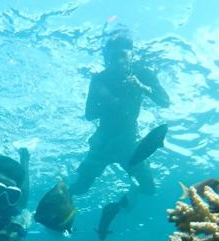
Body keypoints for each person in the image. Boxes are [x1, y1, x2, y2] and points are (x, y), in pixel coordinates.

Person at [70, 28, 170, 196]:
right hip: (104, 140)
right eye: (111, 56)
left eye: (121, 55)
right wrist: (111, 101)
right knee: (80, 188)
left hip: (129, 140)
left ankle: (127, 200)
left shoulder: (142, 73)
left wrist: (141, 87)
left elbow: (165, 101)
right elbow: (90, 115)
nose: (116, 61)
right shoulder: (100, 78)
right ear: (105, 56)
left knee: (149, 189)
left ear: (131, 55)